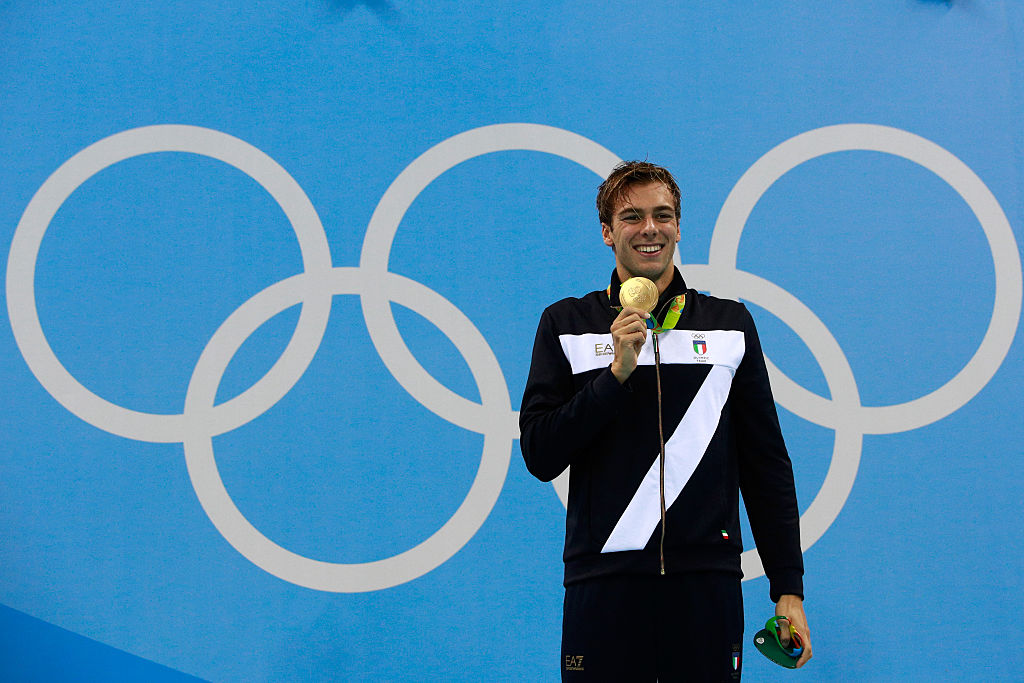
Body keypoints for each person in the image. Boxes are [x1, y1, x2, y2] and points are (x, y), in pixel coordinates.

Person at [519, 161, 812, 681]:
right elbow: (540, 453)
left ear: (678, 226)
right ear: (608, 232)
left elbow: (765, 463)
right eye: (632, 217)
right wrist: (614, 377)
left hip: (706, 585)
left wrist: (787, 586)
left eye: (663, 215)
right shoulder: (567, 325)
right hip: (603, 583)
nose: (650, 229)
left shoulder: (729, 326)